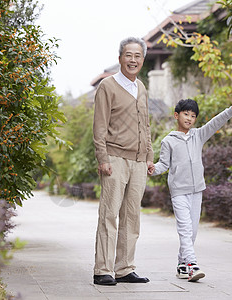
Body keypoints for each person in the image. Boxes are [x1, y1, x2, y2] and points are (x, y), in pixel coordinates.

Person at [149, 97, 232, 282]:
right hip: (179, 192)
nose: (189, 118)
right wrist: (153, 168)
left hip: (196, 190)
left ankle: (182, 265)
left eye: (193, 115)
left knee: (192, 232)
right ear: (177, 115)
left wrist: (230, 110)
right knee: (184, 229)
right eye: (186, 114)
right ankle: (192, 264)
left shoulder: (198, 135)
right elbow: (163, 164)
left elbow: (214, 122)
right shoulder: (169, 141)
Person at [92, 37, 155, 286]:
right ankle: (103, 269)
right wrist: (103, 158)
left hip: (139, 162)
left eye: (137, 56)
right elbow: (99, 126)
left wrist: (149, 156)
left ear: (142, 60)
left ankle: (124, 268)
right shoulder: (108, 86)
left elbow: (146, 126)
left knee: (131, 216)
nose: (133, 60)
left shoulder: (142, 88)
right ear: (120, 58)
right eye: (128, 55)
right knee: (109, 214)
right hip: (115, 159)